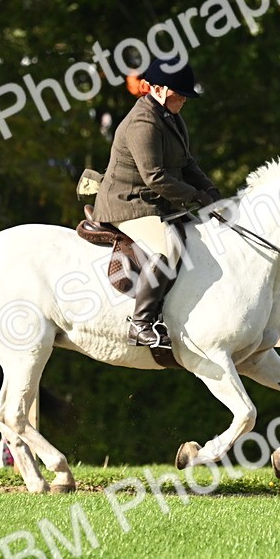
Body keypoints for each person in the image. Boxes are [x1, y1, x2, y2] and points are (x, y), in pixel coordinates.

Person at [91, 56, 221, 348]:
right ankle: (140, 323)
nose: (184, 100)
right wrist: (195, 196)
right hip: (128, 202)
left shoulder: (170, 117)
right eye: (179, 94)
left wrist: (211, 191)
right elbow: (155, 177)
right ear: (159, 90)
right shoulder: (143, 122)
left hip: (153, 201)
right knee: (167, 248)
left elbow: (187, 163)